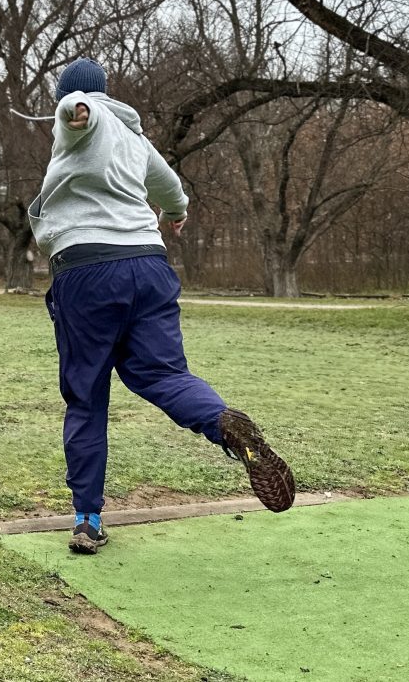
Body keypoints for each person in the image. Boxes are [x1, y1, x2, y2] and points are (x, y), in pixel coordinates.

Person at [28, 57, 295, 555]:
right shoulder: (136, 141)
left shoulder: (83, 121)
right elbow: (172, 190)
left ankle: (87, 518)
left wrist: (78, 110)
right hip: (150, 266)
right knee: (164, 375)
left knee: (86, 397)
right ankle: (222, 423)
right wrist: (174, 216)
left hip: (88, 271)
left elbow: (73, 108)